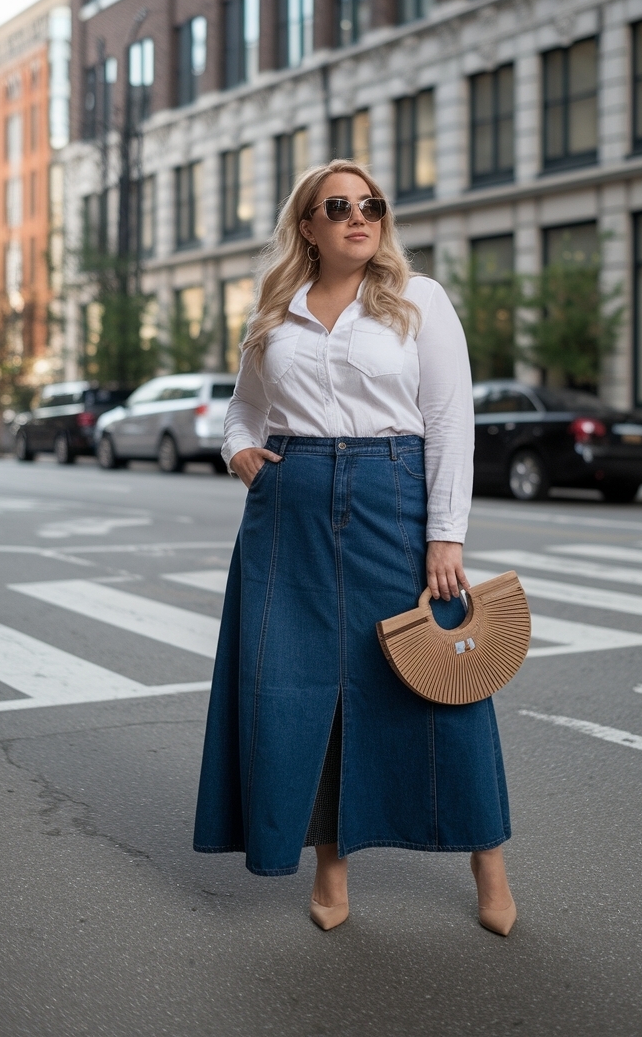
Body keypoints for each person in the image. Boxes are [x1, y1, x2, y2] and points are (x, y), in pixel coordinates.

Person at [194, 159, 515, 935]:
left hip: (391, 495)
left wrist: (446, 534)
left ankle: (488, 862)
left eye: (369, 203)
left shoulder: (419, 301)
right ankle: (330, 868)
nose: (357, 217)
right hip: (289, 507)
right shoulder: (276, 310)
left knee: (438, 679)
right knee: (301, 692)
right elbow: (243, 409)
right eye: (337, 206)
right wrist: (239, 451)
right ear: (307, 224)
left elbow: (449, 423)